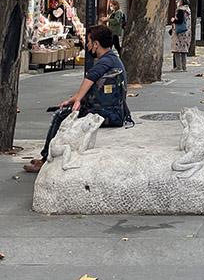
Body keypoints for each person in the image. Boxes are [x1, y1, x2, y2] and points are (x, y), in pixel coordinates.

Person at [23, 25, 130, 174]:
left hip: (107, 114)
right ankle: (45, 155)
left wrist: (78, 99)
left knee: (60, 116)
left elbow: (90, 78)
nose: (87, 45)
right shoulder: (111, 58)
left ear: (96, 44)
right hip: (112, 111)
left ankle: (45, 158)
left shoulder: (106, 61)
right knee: (64, 112)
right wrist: (75, 98)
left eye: (89, 42)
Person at [169, 0, 192, 71]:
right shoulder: (188, 10)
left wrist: (173, 20)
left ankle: (178, 67)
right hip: (186, 32)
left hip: (179, 33)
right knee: (184, 50)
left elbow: (179, 21)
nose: (177, 2)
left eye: (179, 1)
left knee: (177, 50)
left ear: (181, 2)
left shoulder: (180, 10)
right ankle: (184, 67)